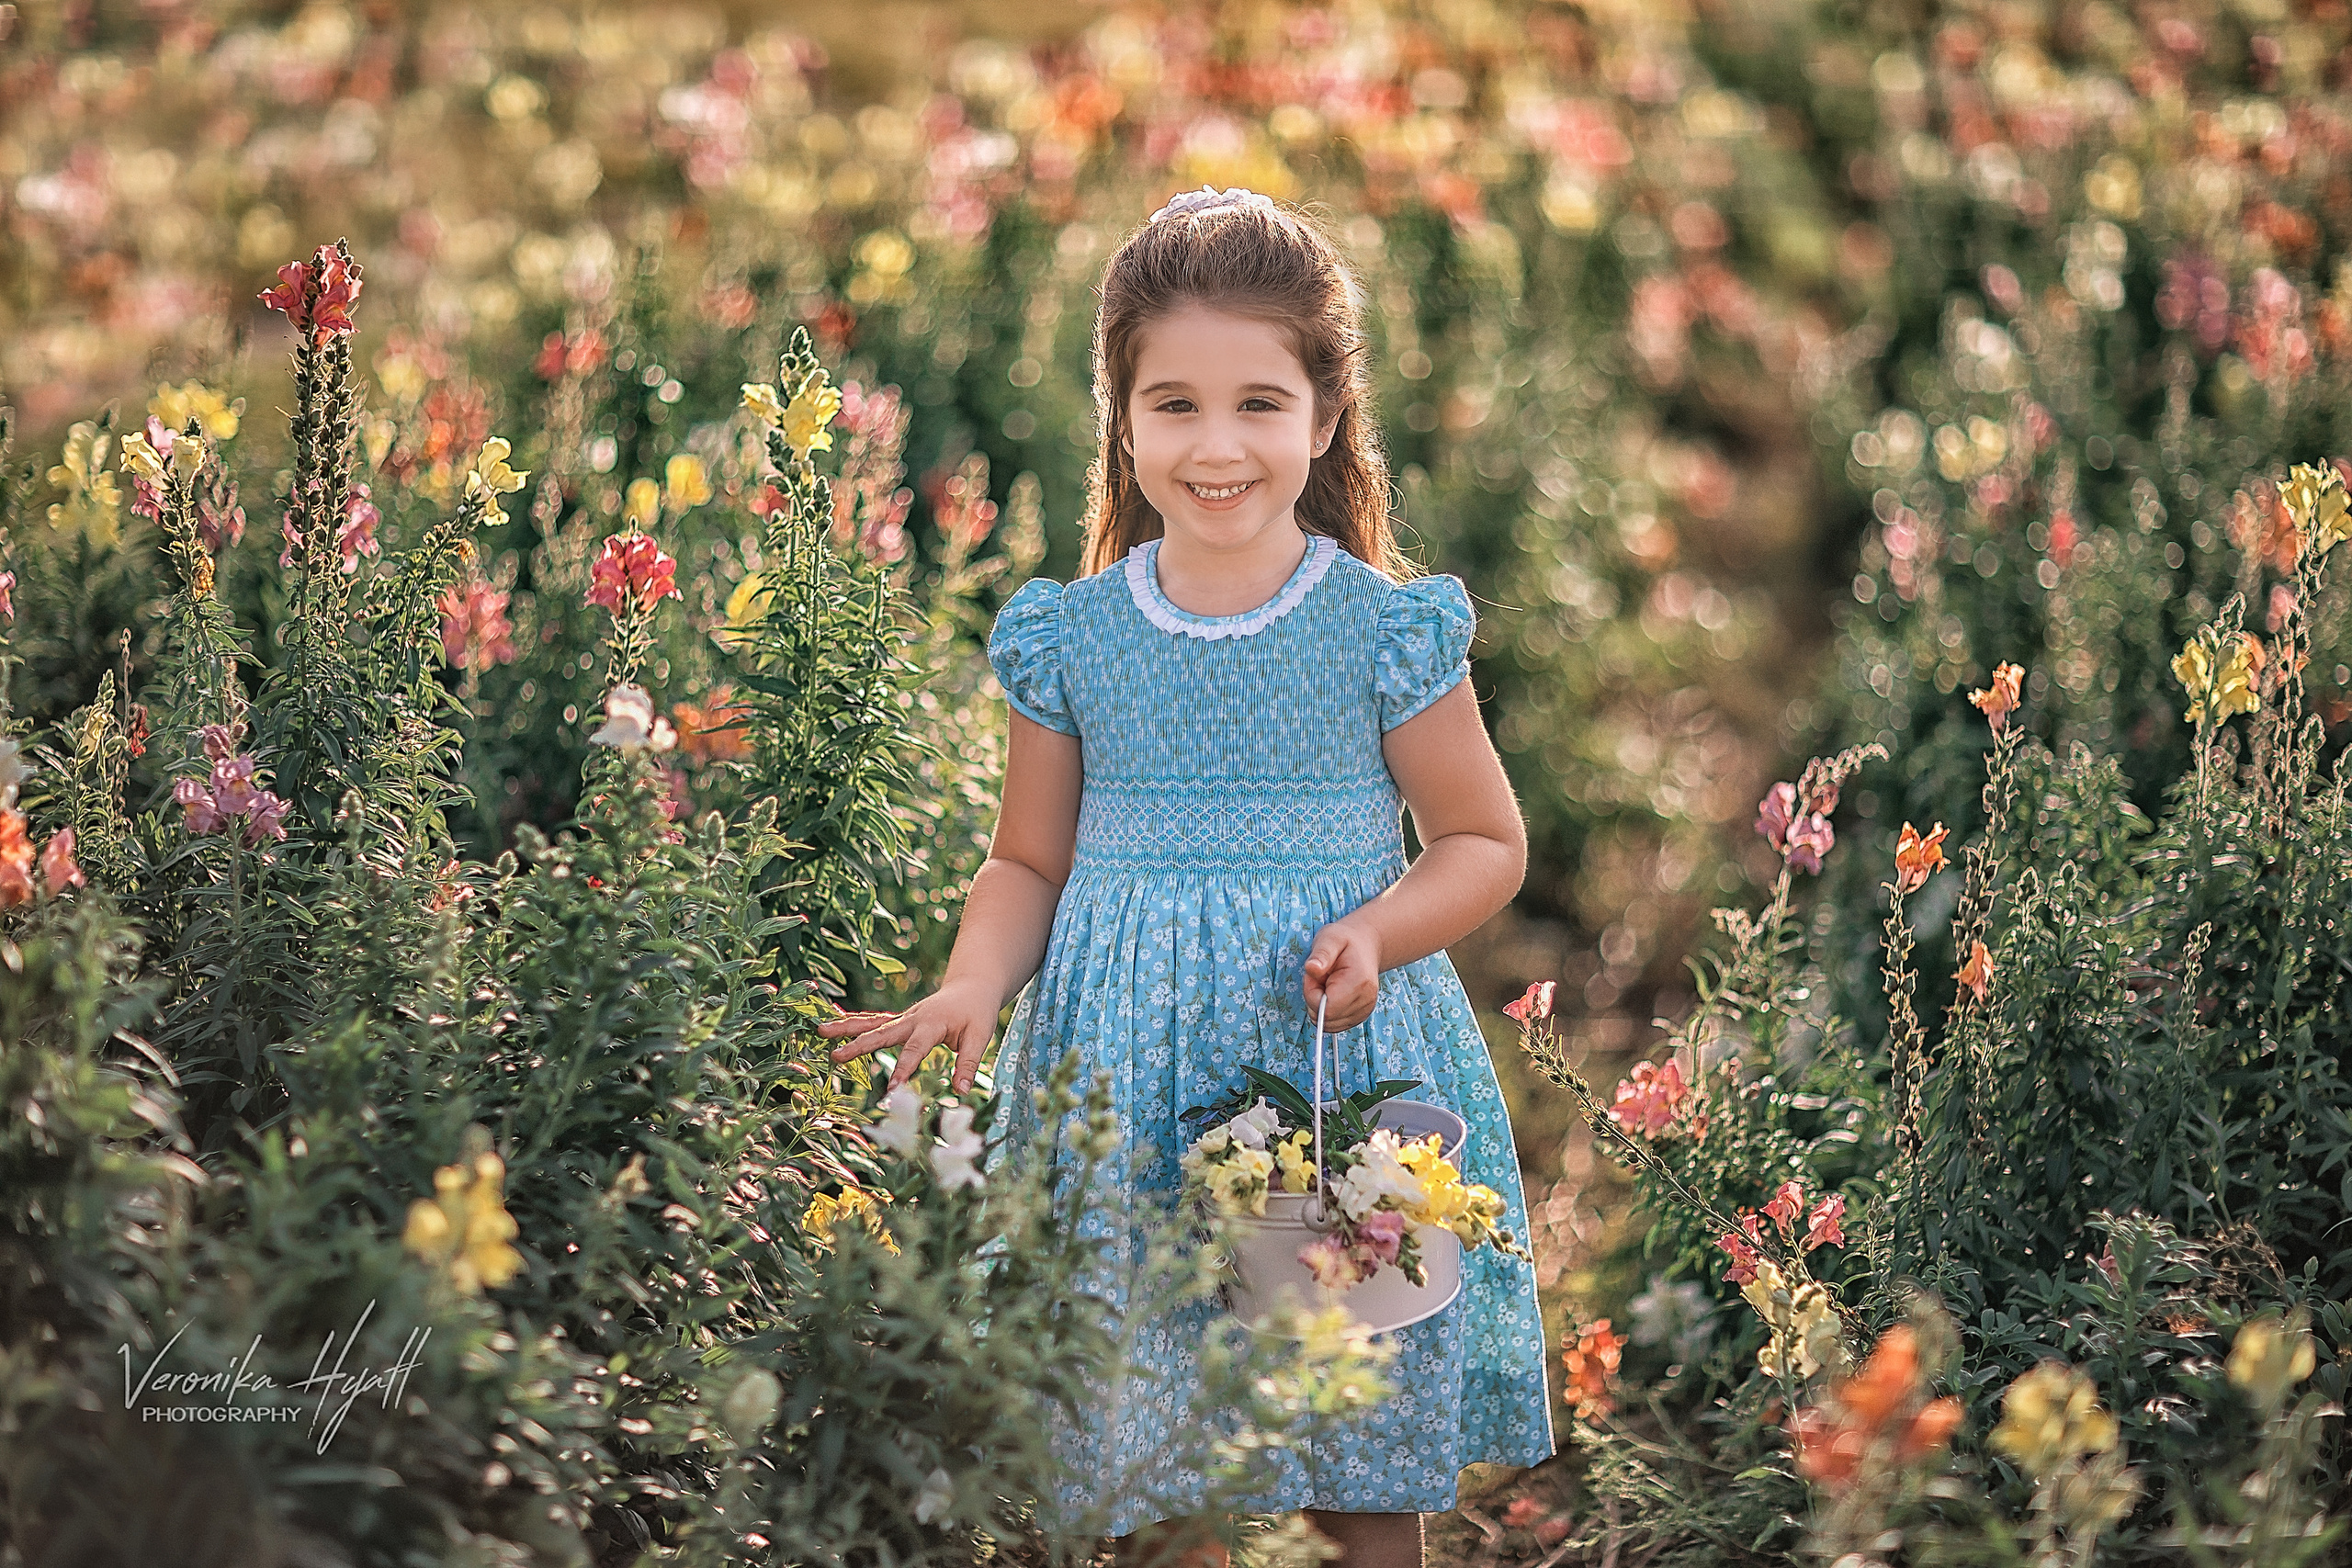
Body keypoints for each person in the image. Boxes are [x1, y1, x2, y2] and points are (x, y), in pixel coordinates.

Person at [819, 186, 1552, 1567]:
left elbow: (1483, 841)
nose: (1218, 447)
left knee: (1356, 1449)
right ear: (1123, 419)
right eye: (1174, 406)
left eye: (1260, 405)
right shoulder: (1075, 640)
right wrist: (972, 984)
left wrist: (1380, 929)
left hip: (1329, 1067)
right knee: (1149, 1462)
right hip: (1120, 1083)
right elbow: (1029, 857)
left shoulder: (1379, 632)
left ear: (1326, 420)